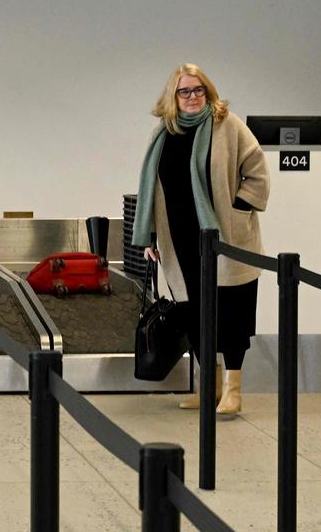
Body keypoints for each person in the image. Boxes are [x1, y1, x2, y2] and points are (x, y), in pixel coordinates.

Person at [132, 63, 269, 414]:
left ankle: (233, 389)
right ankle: (208, 385)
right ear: (172, 97)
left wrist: (240, 207)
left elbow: (256, 169)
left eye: (198, 90)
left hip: (226, 238)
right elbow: (150, 188)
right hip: (179, 239)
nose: (193, 97)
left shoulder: (228, 125)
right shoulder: (162, 133)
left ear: (208, 92)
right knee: (193, 311)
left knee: (232, 310)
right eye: (185, 91)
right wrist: (148, 234)